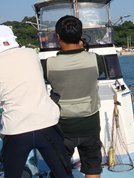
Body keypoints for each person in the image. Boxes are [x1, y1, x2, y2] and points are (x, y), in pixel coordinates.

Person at [0, 25, 72, 178]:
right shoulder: (31, 53)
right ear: (12, 39)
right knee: (64, 174)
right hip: (46, 123)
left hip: (15, 129)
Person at [43, 16, 104, 178]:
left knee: (60, 168)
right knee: (92, 168)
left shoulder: (48, 65)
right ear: (80, 35)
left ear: (57, 36)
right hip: (90, 125)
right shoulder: (95, 60)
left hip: (62, 126)